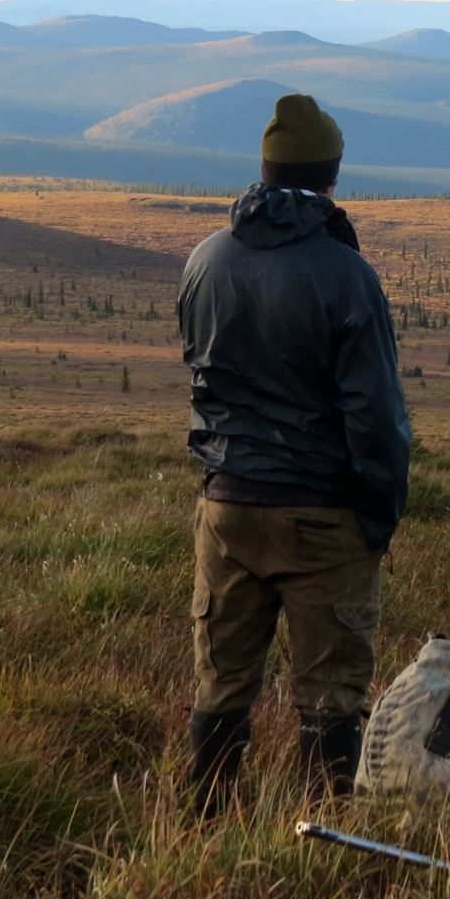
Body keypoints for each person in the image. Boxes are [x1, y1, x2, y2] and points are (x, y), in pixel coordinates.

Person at [178, 94, 410, 812]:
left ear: (267, 168)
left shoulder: (205, 258)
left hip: (227, 504)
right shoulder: (346, 275)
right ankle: (324, 842)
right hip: (322, 514)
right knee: (330, 697)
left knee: (221, 684)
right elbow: (374, 413)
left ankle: (199, 829)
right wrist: (379, 515)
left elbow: (202, 373)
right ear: (332, 177)